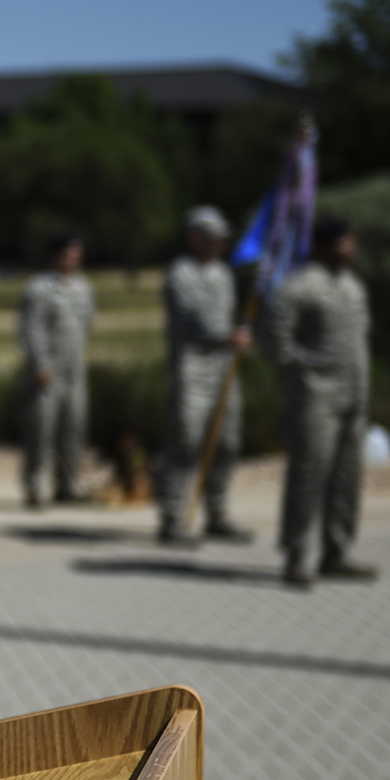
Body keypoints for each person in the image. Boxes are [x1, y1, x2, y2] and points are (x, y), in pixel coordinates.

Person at [263, 216, 380, 588]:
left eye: (352, 241)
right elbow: (274, 341)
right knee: (308, 476)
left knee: (347, 478)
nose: (352, 249)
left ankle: (337, 552)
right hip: (315, 397)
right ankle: (297, 556)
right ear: (325, 246)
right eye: (345, 242)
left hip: (353, 396)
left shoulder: (353, 286)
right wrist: (303, 369)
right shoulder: (300, 288)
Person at [157, 207, 253, 544]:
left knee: (227, 441)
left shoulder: (224, 274)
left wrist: (240, 334)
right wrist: (228, 334)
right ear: (194, 237)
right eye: (212, 237)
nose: (219, 244)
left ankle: (218, 512)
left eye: (222, 238)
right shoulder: (180, 272)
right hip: (192, 367)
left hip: (223, 367)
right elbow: (193, 316)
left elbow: (230, 317)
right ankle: (172, 517)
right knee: (186, 440)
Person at [18, 234, 94, 506]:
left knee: (74, 426)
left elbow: (87, 324)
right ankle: (35, 486)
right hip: (47, 369)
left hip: (74, 369)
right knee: (42, 430)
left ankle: (68, 484)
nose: (74, 258)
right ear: (56, 256)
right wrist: (40, 364)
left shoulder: (84, 287)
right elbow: (31, 329)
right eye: (69, 253)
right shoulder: (39, 288)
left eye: (77, 253)